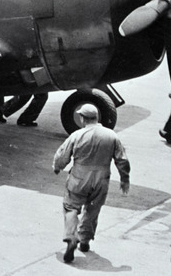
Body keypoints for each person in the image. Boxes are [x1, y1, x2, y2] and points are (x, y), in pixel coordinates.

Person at [53, 104, 130, 263]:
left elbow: (63, 155)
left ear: (82, 118)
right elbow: (122, 159)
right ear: (97, 117)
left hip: (79, 177)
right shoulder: (111, 136)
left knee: (71, 207)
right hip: (101, 178)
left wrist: (57, 167)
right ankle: (85, 240)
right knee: (93, 209)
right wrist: (124, 179)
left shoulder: (77, 135)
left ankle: (71, 238)